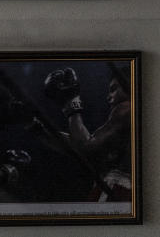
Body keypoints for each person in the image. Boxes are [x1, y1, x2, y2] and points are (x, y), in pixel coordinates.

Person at [39, 66, 132, 201]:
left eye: (113, 89)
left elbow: (87, 148)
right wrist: (38, 129)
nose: (109, 97)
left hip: (118, 187)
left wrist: (72, 102)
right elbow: (81, 147)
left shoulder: (127, 108)